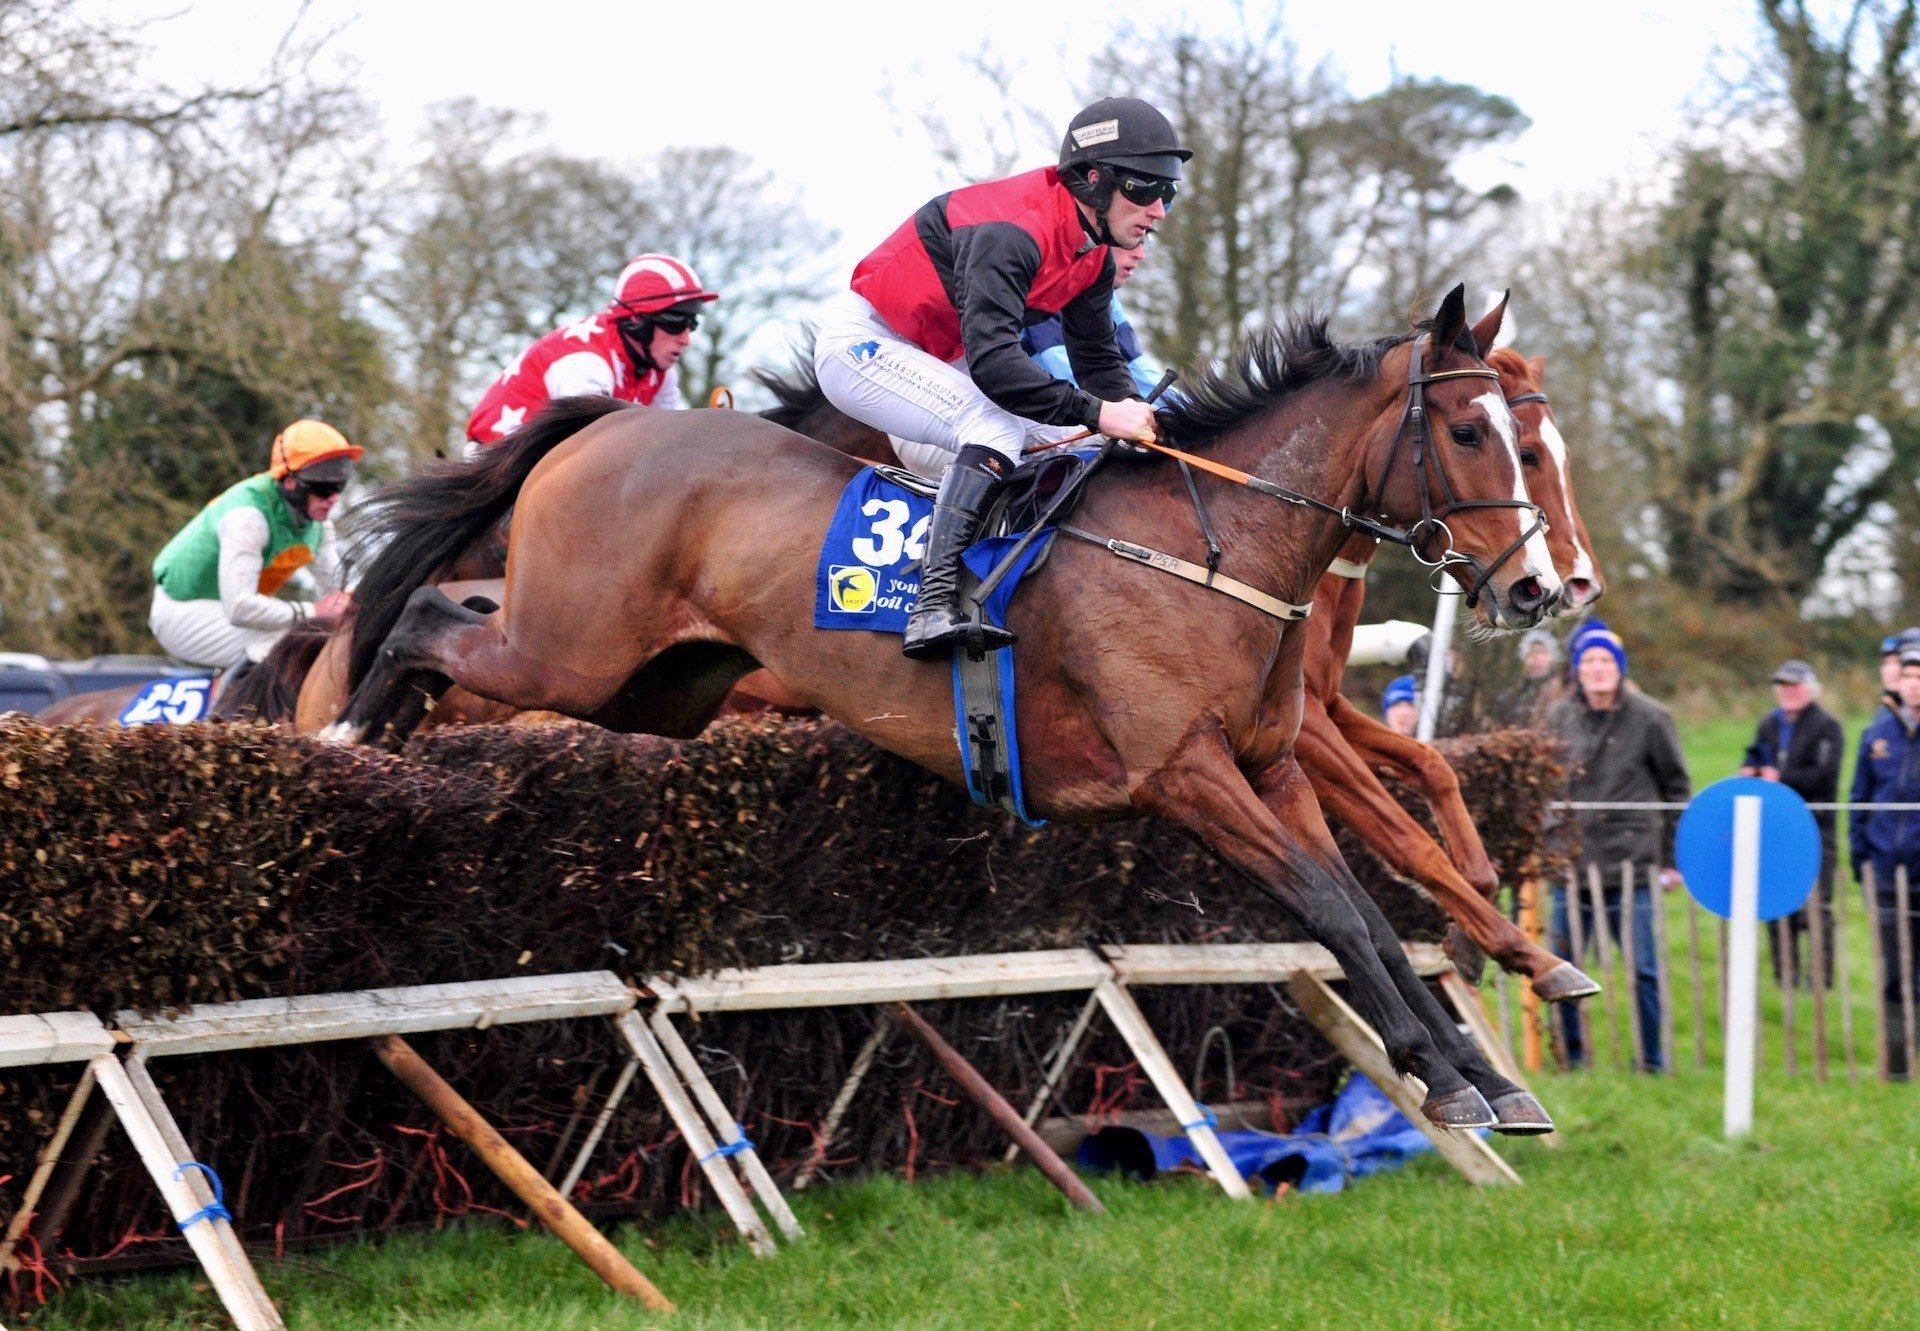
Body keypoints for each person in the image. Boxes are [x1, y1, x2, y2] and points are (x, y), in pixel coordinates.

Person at [815, 96, 1182, 658]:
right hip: (866, 342)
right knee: (997, 428)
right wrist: (1102, 413)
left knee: (1067, 443)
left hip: (939, 356)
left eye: (1168, 192)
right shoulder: (1012, 231)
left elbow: (1098, 360)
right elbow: (995, 366)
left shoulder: (1095, 251)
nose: (1158, 210)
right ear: (1090, 179)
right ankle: (931, 604)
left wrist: (1134, 417)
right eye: (1143, 189)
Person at [1543, 620, 1690, 1071]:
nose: (1598, 668)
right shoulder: (1559, 716)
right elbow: (1543, 785)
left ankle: (1651, 1061)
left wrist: (1671, 862)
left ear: (1620, 668)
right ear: (1577, 671)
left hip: (1633, 864)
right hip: (1572, 863)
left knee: (1643, 970)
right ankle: (1573, 1058)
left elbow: (1677, 790)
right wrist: (1549, 847)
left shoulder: (1650, 717)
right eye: (1589, 661)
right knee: (1563, 967)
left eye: (1606, 660)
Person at [150, 420, 359, 668]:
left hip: (226, 610)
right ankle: (231, 708)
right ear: (290, 481)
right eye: (324, 487)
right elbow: (240, 607)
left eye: (339, 486)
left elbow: (338, 593)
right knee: (289, 641)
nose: (333, 498)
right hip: (181, 612)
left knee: (328, 636)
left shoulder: (318, 526)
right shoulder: (248, 518)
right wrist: (311, 612)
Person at [467, 253, 718, 447]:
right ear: (635, 320)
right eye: (676, 323)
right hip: (494, 470)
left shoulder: (658, 367)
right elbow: (598, 449)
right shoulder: (585, 364)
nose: (686, 339)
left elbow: (670, 437)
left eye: (692, 324)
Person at [1739, 660, 1842, 988]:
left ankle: (1820, 978)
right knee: (1777, 900)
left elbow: (1824, 775)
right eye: (1783, 686)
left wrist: (1782, 778)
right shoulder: (1769, 721)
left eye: (1795, 685)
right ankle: (1785, 976)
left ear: (1810, 689)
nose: (1789, 692)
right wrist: (1750, 770)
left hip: (1815, 825)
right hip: (1775, 825)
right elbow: (1755, 754)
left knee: (1816, 905)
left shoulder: (1828, 726)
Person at [1849, 643, 1920, 1078]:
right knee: (1894, 973)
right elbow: (1858, 800)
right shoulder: (1878, 734)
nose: (1914, 685)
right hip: (1886, 871)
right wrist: (1862, 858)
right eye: (1909, 677)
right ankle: (1897, 1067)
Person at [1019, 240, 1165, 400]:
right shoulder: (1061, 280)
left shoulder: (1107, 298)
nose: (1140, 254)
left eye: (1145, 242)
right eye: (1132, 241)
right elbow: (1067, 372)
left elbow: (1135, 366)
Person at [1494, 626, 1564, 727]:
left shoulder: (1563, 690)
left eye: (1541, 652)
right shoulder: (1513, 698)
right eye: (1531, 653)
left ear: (1552, 658)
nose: (1536, 657)